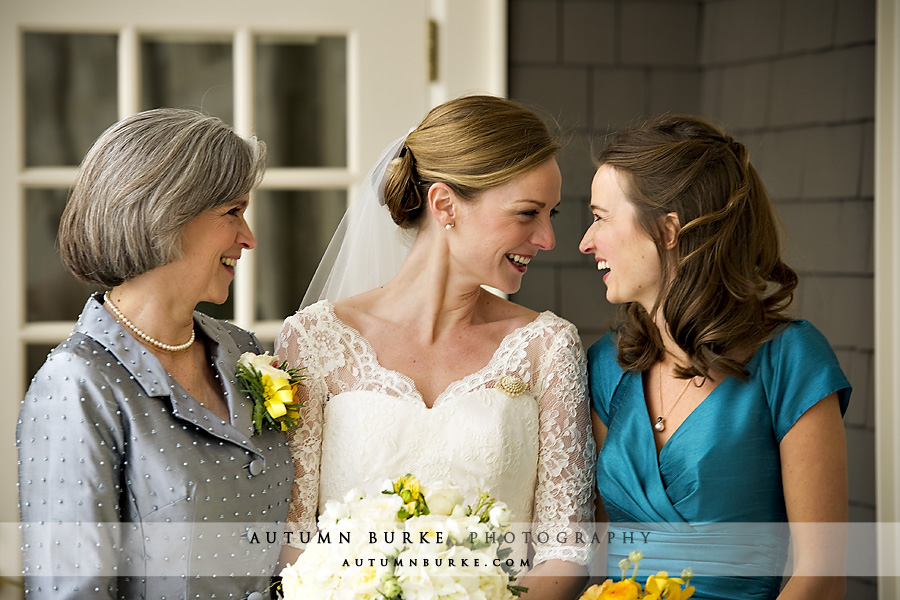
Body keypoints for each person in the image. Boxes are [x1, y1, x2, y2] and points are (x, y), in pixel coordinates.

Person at [275, 95, 596, 598]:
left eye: (550, 213)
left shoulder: (547, 347)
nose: (548, 238)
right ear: (445, 204)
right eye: (528, 213)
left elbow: (567, 549)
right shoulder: (315, 341)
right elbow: (292, 538)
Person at [17, 108, 292, 599]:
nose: (248, 237)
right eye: (233, 212)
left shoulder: (244, 350)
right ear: (165, 214)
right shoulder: (76, 384)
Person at [579, 114, 851, 600]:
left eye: (600, 217)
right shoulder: (605, 367)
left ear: (667, 230)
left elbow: (821, 578)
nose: (585, 241)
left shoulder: (790, 361)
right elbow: (600, 561)